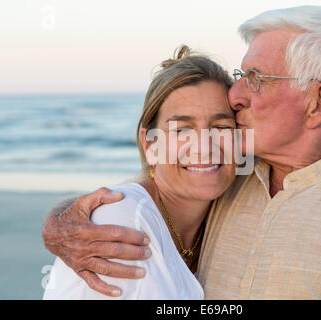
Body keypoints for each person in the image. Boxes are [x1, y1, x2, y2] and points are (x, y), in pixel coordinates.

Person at [43, 6, 321, 299]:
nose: (236, 95)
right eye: (241, 77)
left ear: (319, 100)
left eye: (256, 79)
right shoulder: (230, 174)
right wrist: (64, 221)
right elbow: (150, 193)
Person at [43, 45, 237, 299]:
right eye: (181, 130)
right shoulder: (124, 223)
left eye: (222, 127)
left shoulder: (226, 207)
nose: (204, 147)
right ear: (150, 145)